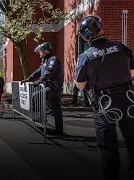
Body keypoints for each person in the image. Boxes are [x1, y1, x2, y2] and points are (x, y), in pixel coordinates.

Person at [75, 14, 134, 180]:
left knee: (108, 148)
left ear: (85, 37)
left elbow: (80, 85)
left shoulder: (85, 57)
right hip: (128, 100)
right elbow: (132, 73)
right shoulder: (122, 47)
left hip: (104, 103)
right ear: (101, 29)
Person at [21, 42, 64, 134]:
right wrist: (27, 79)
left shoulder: (53, 59)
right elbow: (37, 72)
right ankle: (59, 130)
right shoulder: (45, 62)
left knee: (36, 96)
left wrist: (40, 80)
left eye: (40, 52)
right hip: (50, 87)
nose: (39, 54)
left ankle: (41, 118)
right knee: (56, 109)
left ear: (45, 51)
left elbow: (50, 71)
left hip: (54, 87)